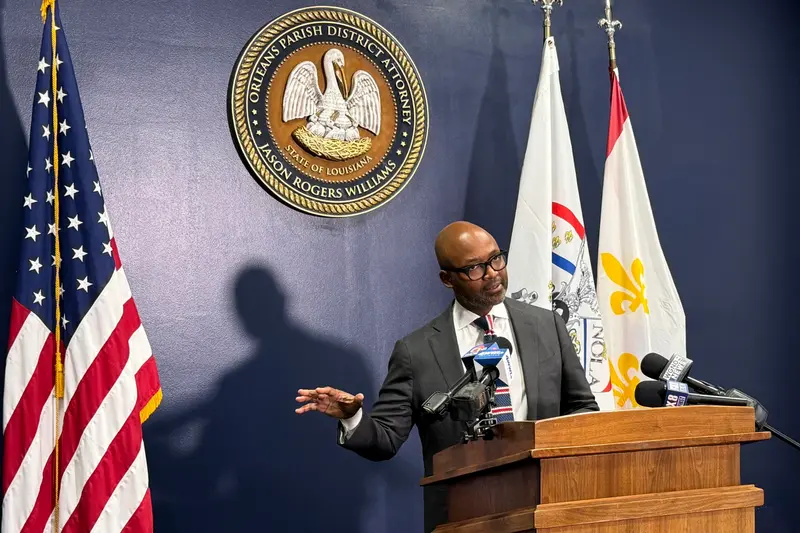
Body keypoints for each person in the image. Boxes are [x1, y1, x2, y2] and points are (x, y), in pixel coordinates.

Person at [296, 221, 599, 532]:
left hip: (547, 506)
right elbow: (385, 440)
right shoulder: (416, 351)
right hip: (462, 514)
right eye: (475, 268)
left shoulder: (546, 326)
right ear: (447, 279)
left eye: (496, 259)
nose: (492, 273)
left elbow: (583, 408)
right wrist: (352, 418)